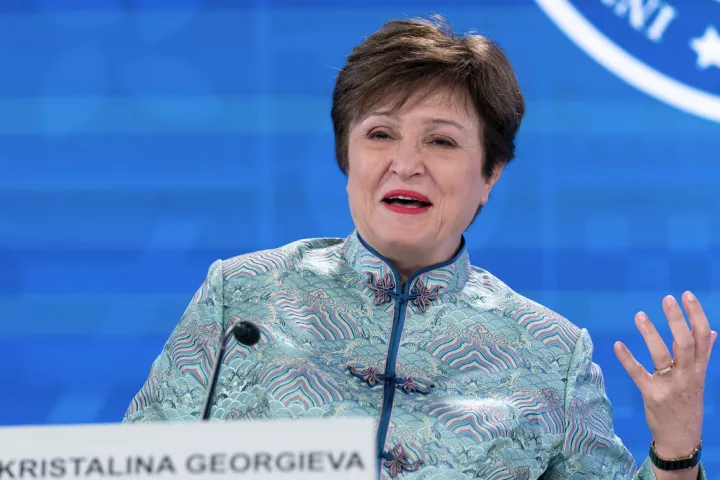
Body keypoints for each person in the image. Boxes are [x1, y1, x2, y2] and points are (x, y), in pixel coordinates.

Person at [123, 15, 715, 479]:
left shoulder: (552, 355)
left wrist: (675, 448)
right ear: (347, 157)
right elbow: (134, 467)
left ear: (491, 173)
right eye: (380, 134)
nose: (406, 163)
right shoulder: (241, 297)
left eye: (442, 141)